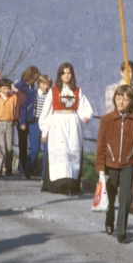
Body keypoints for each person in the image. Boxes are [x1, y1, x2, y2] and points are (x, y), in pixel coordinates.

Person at [95, 84, 133, 243]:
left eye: (126, 99)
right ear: (114, 99)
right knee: (110, 198)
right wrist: (100, 167)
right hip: (110, 165)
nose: (121, 102)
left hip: (127, 165)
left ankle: (122, 232)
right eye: (119, 98)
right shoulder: (106, 119)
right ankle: (109, 219)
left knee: (126, 198)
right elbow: (100, 145)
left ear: (131, 101)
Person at [40, 62, 93, 195]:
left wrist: (85, 116)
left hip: (73, 123)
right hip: (58, 122)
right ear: (60, 75)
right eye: (64, 73)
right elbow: (46, 111)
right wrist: (45, 130)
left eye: (69, 73)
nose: (67, 75)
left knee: (72, 151)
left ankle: (71, 184)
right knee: (61, 150)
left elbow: (83, 107)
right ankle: (60, 185)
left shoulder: (77, 90)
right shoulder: (53, 90)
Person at [0, 77, 23, 177]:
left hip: (10, 124)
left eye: (8, 88)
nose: (6, 91)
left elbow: (23, 99)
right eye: (4, 88)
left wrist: (15, 90)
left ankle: (8, 167)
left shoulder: (14, 97)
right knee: (1, 146)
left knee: (9, 147)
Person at [15, 65, 41, 178]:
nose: (35, 80)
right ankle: (23, 167)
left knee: (31, 145)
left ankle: (26, 167)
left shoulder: (31, 87)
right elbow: (18, 100)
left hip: (31, 119)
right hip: (22, 118)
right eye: (34, 78)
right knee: (23, 143)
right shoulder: (19, 86)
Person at [28, 74, 51, 179]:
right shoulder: (33, 94)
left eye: (47, 84)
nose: (45, 86)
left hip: (47, 124)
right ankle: (28, 168)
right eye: (43, 84)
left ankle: (44, 175)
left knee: (47, 150)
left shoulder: (50, 96)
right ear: (39, 84)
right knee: (35, 149)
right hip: (35, 123)